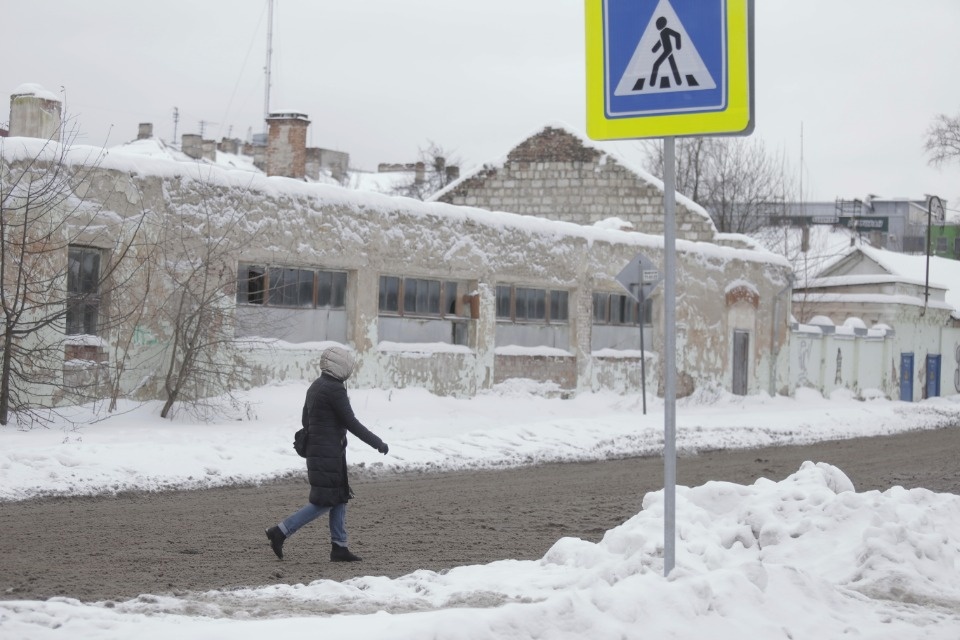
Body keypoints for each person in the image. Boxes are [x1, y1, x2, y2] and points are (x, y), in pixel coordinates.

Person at [265, 346, 389, 562]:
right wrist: (377, 443)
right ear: (341, 367)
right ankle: (280, 531)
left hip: (321, 452)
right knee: (324, 501)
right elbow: (351, 422)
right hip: (328, 454)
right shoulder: (334, 389)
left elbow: (306, 420)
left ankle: (339, 547)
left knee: (339, 496)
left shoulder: (315, 386)